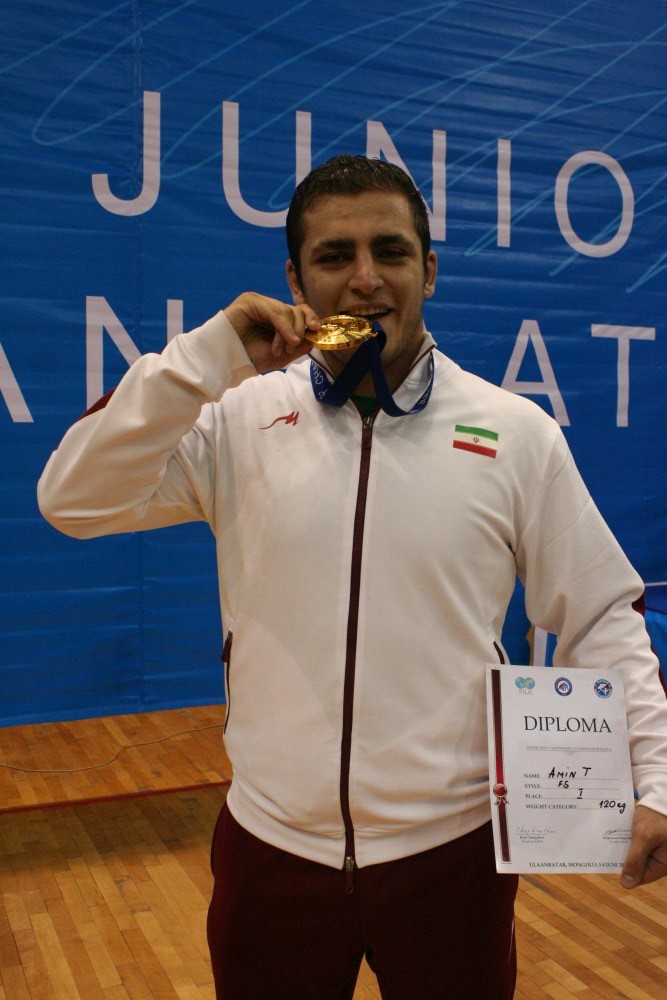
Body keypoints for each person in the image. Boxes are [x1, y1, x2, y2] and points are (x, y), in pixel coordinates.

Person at [38, 155, 667, 999]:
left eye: (390, 251)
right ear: (294, 281)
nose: (365, 279)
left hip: (451, 857)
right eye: (334, 257)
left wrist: (656, 776)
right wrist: (211, 355)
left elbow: (599, 612)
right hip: (272, 849)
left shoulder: (515, 433)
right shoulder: (238, 417)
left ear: (428, 270)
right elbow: (71, 498)